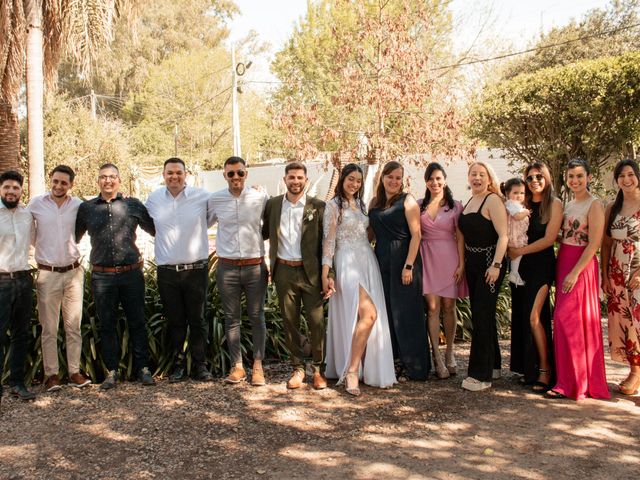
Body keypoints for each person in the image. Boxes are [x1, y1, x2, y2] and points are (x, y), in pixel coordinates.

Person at [75, 163, 156, 390]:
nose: (108, 181)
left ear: (119, 180)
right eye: (103, 177)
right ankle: (111, 371)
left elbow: (155, 229)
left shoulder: (133, 204)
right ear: (98, 180)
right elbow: (73, 236)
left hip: (131, 274)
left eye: (112, 177)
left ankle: (143, 368)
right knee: (107, 324)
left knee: (137, 322)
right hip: (102, 278)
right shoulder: (87, 208)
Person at [322, 163, 396, 395]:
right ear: (342, 179)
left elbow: (369, 234)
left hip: (367, 260)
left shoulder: (363, 205)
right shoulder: (333, 206)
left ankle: (362, 368)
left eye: (358, 180)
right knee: (369, 313)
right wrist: (326, 273)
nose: (354, 184)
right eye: (350, 179)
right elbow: (329, 242)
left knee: (366, 316)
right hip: (346, 261)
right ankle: (351, 370)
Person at [146, 158, 214, 382]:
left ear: (186, 174)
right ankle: (178, 365)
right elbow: (148, 224)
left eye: (178, 173)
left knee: (197, 320)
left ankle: (200, 365)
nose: (174, 177)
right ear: (163, 175)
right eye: (169, 173)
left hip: (196, 270)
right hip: (167, 272)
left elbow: (212, 219)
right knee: (175, 321)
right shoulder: (154, 199)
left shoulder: (202, 197)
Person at [546, 159, 609, 400]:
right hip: (563, 260)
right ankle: (567, 381)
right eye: (571, 176)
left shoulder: (594, 205)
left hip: (581, 266)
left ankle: (576, 384)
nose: (575, 180)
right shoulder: (568, 205)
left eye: (580, 176)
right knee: (563, 321)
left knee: (569, 319)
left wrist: (575, 272)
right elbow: (562, 237)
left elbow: (594, 243)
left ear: (589, 177)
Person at [263, 162, 328, 390]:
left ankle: (318, 369)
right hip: (283, 271)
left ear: (306, 180)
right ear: (285, 179)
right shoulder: (272, 205)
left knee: (316, 322)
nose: (296, 181)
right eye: (292, 177)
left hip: (310, 272)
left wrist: (330, 275)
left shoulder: (318, 206)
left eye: (300, 177)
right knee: (289, 322)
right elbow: (262, 233)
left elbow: (327, 244)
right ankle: (298, 368)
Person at [28, 165, 90, 392]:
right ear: (50, 181)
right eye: (55, 181)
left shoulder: (78, 206)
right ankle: (51, 375)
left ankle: (74, 372)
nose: (58, 186)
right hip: (48, 274)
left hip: (74, 272)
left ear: (71, 185)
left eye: (63, 182)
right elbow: (26, 229)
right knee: (49, 328)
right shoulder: (36, 204)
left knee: (73, 326)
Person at [210, 156, 269, 386]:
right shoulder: (215, 199)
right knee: (231, 318)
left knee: (257, 316)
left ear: (247, 173)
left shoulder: (260, 197)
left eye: (240, 173)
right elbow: (203, 222)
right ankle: (237, 367)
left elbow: (269, 225)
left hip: (255, 267)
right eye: (231, 173)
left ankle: (258, 365)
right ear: (224, 175)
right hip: (228, 268)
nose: (236, 177)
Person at [369, 160, 430, 381]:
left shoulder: (408, 201)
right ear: (382, 177)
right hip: (382, 260)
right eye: (390, 176)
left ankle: (414, 365)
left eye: (398, 177)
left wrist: (408, 265)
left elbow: (417, 235)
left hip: (405, 260)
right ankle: (393, 361)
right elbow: (370, 235)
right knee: (387, 312)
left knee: (407, 313)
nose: (394, 181)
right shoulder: (374, 202)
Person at [508, 162, 562, 392]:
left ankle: (545, 369)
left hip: (541, 266)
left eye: (539, 176)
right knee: (521, 317)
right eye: (530, 178)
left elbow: (550, 239)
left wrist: (519, 251)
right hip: (521, 268)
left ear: (547, 177)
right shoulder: (524, 203)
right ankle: (528, 369)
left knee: (534, 317)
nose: (534, 181)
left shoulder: (555, 204)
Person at [457, 161, 508, 391]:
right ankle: (494, 366)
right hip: (473, 264)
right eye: (473, 174)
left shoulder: (493, 200)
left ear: (489, 178)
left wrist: (496, 265)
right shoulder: (470, 201)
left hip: (490, 262)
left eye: (481, 174)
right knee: (482, 315)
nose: (477, 178)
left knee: (481, 316)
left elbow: (503, 236)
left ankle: (481, 375)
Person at [419, 162, 468, 379]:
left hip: (450, 257)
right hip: (427, 257)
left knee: (449, 306)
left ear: (444, 180)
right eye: (431, 179)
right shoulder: (418, 205)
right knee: (432, 308)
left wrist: (461, 264)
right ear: (426, 182)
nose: (435, 182)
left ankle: (449, 353)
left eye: (438, 178)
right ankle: (436, 357)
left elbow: (460, 236)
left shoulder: (455, 206)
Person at [602, 159, 640, 395]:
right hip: (616, 273)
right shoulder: (611, 208)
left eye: (631, 175)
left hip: (637, 271)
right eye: (621, 176)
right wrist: (604, 274)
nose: (626, 180)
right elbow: (605, 244)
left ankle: (636, 374)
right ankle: (634, 370)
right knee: (625, 322)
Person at [0, 171, 36, 402]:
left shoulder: (27, 215)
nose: (11, 191)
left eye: (15, 188)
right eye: (7, 188)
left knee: (20, 334)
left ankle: (17, 382)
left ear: (21, 191)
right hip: (1, 280)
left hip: (23, 279)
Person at [501, 178, 529, 287]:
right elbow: (517, 216)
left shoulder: (518, 205)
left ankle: (514, 272)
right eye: (515, 193)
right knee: (517, 254)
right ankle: (513, 272)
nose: (519, 195)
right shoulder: (510, 204)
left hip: (518, 234)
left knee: (518, 256)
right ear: (508, 193)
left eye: (522, 193)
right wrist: (526, 212)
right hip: (514, 236)